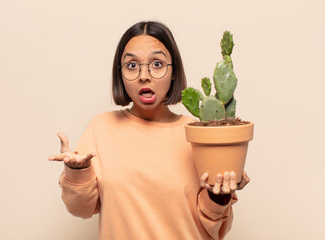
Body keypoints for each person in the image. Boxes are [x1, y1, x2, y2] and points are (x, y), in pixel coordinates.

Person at [49, 21, 250, 240]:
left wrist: (219, 197)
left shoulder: (199, 133)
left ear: (173, 72)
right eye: (132, 65)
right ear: (120, 74)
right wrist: (78, 172)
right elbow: (81, 209)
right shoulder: (101, 128)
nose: (144, 75)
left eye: (157, 63)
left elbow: (215, 229)